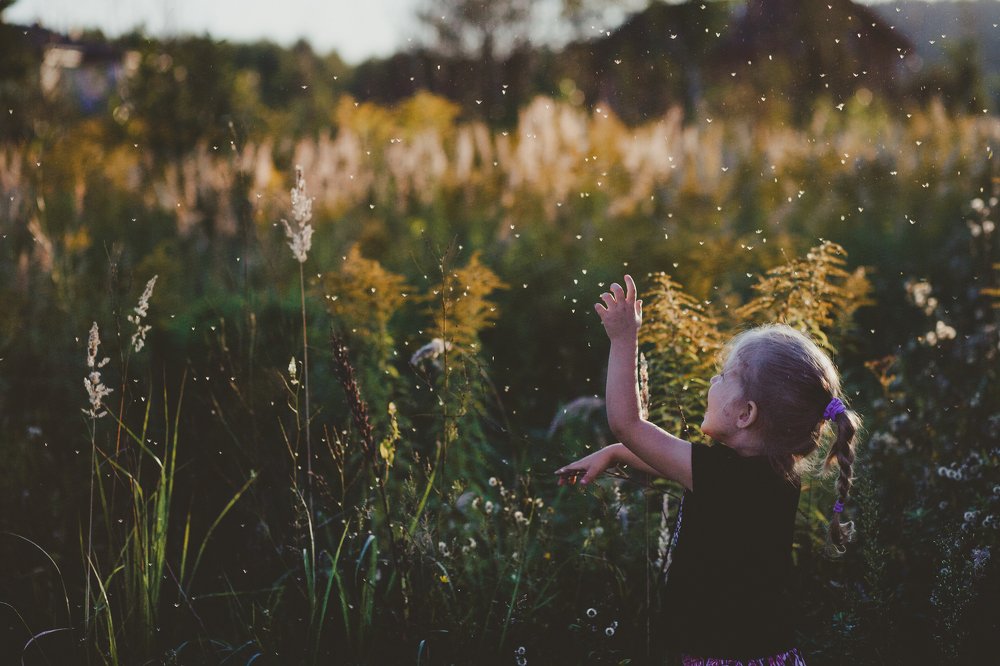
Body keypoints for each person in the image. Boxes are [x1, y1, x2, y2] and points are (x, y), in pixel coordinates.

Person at [554, 275, 860, 665]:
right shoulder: (775, 473)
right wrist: (616, 453)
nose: (714, 379)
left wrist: (623, 339)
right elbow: (678, 465)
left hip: (720, 657)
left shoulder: (721, 474)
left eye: (726, 376)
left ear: (746, 415)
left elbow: (627, 424)